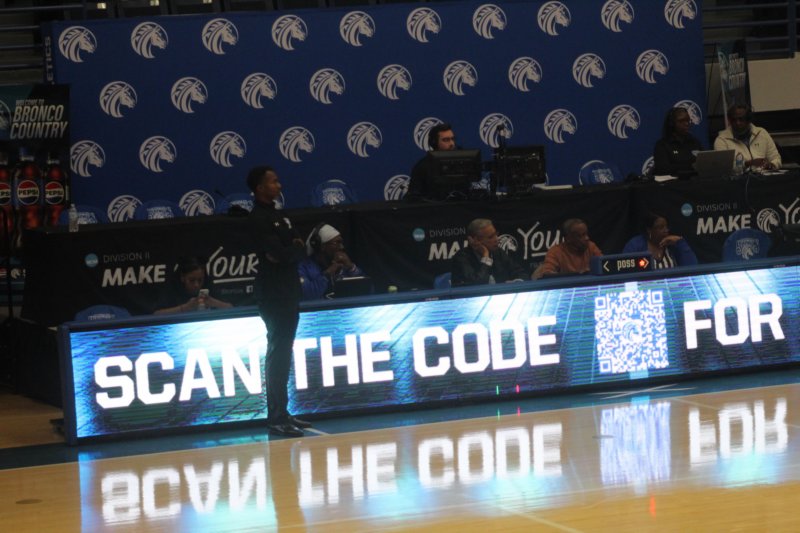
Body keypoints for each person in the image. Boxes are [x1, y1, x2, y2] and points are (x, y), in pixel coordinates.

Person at [247, 165, 311, 438]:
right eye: (273, 182)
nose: (279, 185)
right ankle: (275, 417)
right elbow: (279, 254)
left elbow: (300, 248)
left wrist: (291, 250)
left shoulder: (280, 215)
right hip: (273, 293)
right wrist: (290, 250)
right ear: (260, 187)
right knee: (278, 352)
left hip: (289, 290)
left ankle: (283, 412)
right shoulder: (258, 218)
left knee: (284, 351)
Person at [451, 218, 527, 286]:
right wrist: (486, 257)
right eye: (491, 237)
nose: (496, 239)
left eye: (496, 234)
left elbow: (521, 273)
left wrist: (516, 282)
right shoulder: (461, 258)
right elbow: (477, 284)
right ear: (475, 240)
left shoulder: (498, 252)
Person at [298, 223, 364, 300]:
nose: (341, 247)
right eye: (336, 243)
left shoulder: (343, 266)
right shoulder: (303, 267)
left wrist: (351, 268)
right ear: (322, 246)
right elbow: (306, 295)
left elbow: (367, 290)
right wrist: (327, 274)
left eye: (341, 243)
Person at [713, 103, 781, 171]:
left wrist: (771, 165)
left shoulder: (762, 133)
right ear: (730, 121)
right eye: (734, 120)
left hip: (764, 175)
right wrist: (746, 164)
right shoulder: (722, 140)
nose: (737, 123)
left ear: (749, 119)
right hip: (739, 177)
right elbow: (723, 167)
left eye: (741, 119)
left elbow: (776, 158)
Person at [153, 256, 232, 314]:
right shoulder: (172, 286)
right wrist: (186, 307)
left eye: (200, 280)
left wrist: (213, 302)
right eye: (192, 280)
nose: (196, 285)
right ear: (182, 277)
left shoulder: (207, 283)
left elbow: (230, 308)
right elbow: (156, 314)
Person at [622, 212, 698, 269]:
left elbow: (692, 267)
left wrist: (680, 242)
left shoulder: (673, 245)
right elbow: (626, 270)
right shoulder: (635, 245)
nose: (666, 230)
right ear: (649, 230)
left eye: (666, 227)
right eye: (661, 227)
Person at [533, 218, 602, 279]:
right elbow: (547, 273)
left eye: (586, 234)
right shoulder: (555, 252)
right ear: (568, 238)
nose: (587, 238)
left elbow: (603, 264)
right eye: (581, 235)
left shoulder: (591, 246)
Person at [407, 122, 457, 200]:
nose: (452, 144)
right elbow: (414, 197)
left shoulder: (462, 162)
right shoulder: (422, 167)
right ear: (434, 143)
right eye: (446, 140)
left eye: (452, 139)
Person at [652, 106, 704, 177]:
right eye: (682, 121)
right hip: (674, 182)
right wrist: (690, 166)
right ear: (672, 123)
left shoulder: (695, 142)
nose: (686, 123)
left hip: (695, 181)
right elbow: (662, 169)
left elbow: (704, 163)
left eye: (688, 120)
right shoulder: (662, 145)